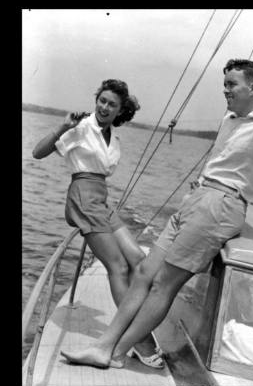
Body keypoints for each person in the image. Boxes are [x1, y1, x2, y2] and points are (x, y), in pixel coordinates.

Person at [60, 59, 253, 369]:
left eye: (232, 84)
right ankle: (104, 344)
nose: (225, 89)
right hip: (196, 200)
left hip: (220, 207)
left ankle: (114, 352)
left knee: (164, 284)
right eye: (225, 83)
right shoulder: (231, 121)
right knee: (145, 274)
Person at [33, 79, 164, 368]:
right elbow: (37, 152)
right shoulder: (80, 127)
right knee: (116, 266)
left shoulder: (112, 136)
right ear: (97, 101)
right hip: (83, 196)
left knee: (138, 260)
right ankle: (139, 343)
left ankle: (133, 329)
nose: (104, 107)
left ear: (120, 110)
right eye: (102, 100)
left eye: (111, 104)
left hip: (102, 199)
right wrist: (63, 126)